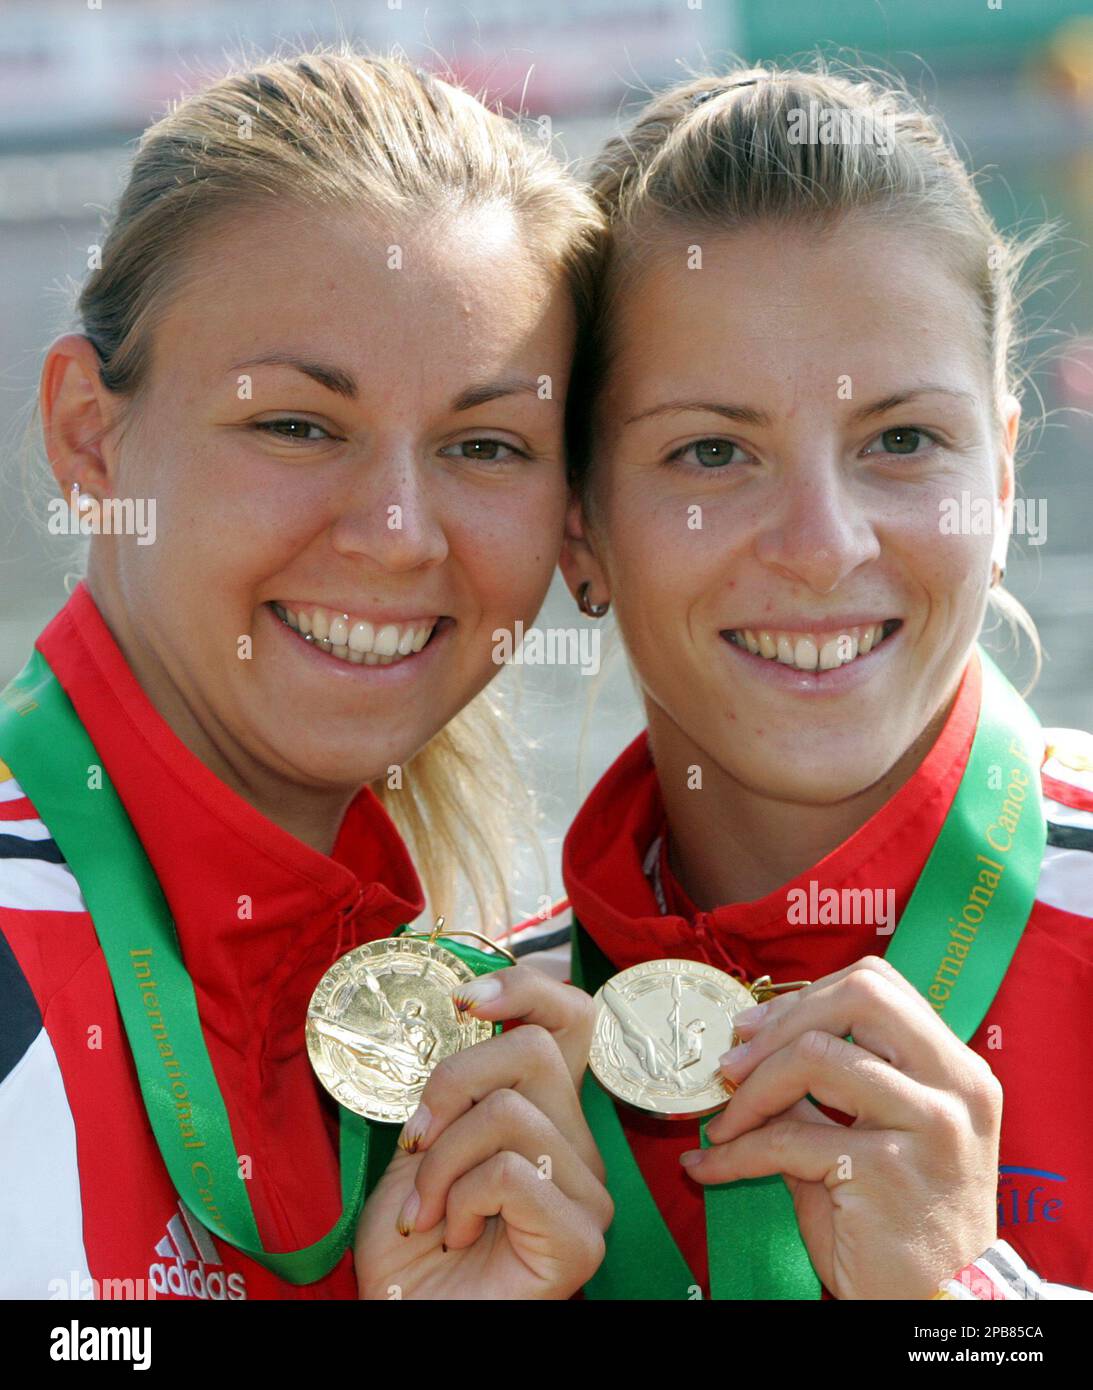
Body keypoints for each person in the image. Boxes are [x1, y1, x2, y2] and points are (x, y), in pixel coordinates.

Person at [0, 47, 609, 1301]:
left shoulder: (470, 1016)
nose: (397, 530)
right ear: (90, 436)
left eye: (484, 444)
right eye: (295, 424)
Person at [557, 64, 1093, 1299]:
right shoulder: (473, 1055)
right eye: (711, 451)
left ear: (1002, 480)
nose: (820, 544)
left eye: (901, 441)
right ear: (579, 525)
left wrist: (965, 1310)